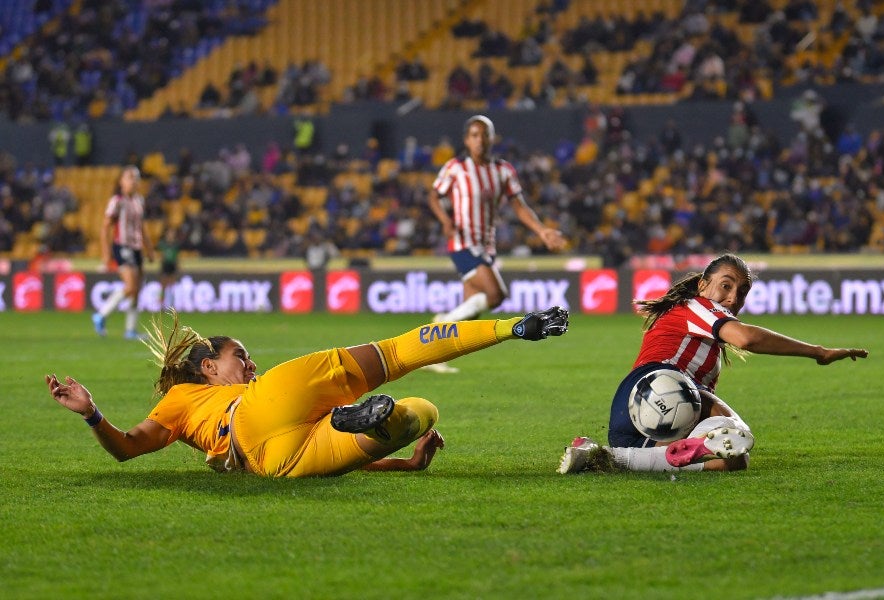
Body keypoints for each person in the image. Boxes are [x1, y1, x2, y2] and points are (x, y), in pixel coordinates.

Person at [46, 306, 569, 478]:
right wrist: (92, 414)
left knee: (419, 412)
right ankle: (511, 328)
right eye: (239, 357)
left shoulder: (182, 414)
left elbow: (128, 449)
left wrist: (407, 467)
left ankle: (354, 419)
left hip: (275, 462)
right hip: (259, 412)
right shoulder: (184, 398)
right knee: (395, 353)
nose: (249, 362)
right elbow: (128, 447)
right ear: (209, 367)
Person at [557, 254, 868, 474]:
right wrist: (819, 352)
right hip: (657, 389)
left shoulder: (702, 319)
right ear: (704, 285)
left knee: (734, 457)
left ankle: (611, 457)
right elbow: (746, 339)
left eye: (742, 291)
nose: (733, 298)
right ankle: (624, 455)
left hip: (639, 421)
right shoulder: (697, 305)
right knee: (736, 430)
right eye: (726, 285)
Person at [426, 115, 567, 373]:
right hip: (462, 242)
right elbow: (434, 196)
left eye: (485, 135)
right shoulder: (455, 167)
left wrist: (542, 230)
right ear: (467, 140)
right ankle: (439, 325)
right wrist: (445, 219)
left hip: (486, 246)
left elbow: (519, 206)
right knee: (496, 294)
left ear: (492, 138)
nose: (480, 140)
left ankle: (435, 356)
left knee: (472, 311)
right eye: (475, 135)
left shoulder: (502, 170)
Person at [92, 165, 156, 339]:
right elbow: (105, 228)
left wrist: (149, 249)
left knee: (137, 289)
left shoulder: (139, 200)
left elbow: (142, 227)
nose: (134, 181)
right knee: (130, 287)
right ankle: (101, 315)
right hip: (122, 246)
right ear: (121, 181)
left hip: (136, 248)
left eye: (136, 178)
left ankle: (130, 330)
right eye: (130, 177)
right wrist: (106, 254)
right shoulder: (117, 201)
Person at [157, 227, 181, 310]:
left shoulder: (176, 245)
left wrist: (178, 265)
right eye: (170, 233)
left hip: (172, 265)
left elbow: (177, 257)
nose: (171, 235)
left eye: (172, 233)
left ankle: (171, 304)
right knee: (163, 286)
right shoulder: (162, 244)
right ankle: (161, 305)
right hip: (165, 265)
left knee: (172, 285)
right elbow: (161, 256)